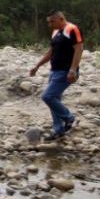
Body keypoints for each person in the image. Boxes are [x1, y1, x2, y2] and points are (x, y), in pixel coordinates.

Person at [29, 10, 83, 141]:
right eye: (49, 22)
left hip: (66, 72)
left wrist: (73, 70)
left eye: (52, 21)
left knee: (48, 96)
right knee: (54, 100)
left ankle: (69, 117)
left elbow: (79, 48)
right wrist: (37, 65)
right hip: (54, 71)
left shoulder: (72, 29)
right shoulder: (55, 32)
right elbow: (51, 52)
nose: (50, 24)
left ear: (60, 18)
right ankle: (58, 129)